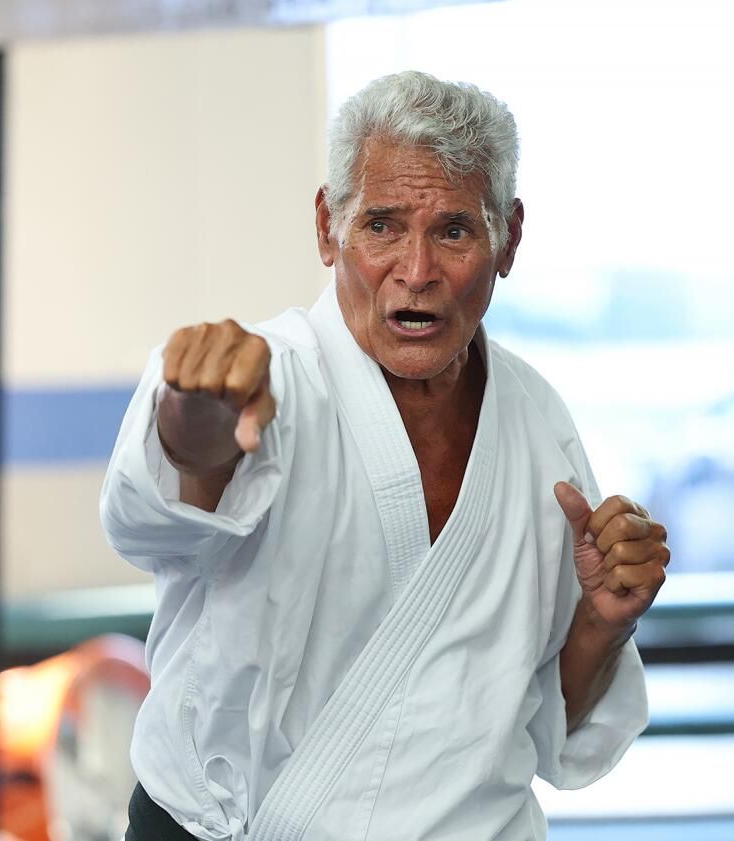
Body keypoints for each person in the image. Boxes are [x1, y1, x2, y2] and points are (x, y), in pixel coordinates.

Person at [100, 70, 669, 841]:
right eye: (383, 226)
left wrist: (602, 621)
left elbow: (548, 726)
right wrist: (190, 411)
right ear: (328, 226)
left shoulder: (539, 428)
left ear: (510, 237)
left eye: (455, 231)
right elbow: (167, 505)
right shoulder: (269, 377)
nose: (417, 270)